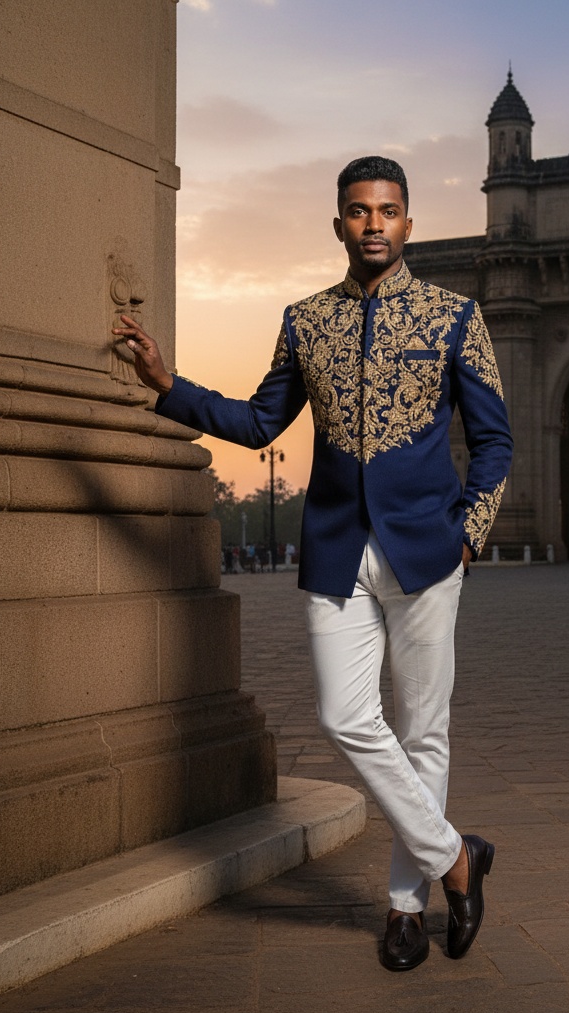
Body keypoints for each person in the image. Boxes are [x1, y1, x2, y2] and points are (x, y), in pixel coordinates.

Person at [114, 155, 512, 971]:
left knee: (422, 732)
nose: (374, 223)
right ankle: (456, 859)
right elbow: (262, 423)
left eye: (388, 210)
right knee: (344, 716)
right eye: (359, 211)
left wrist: (469, 533)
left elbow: (495, 440)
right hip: (336, 551)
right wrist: (168, 387)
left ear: (409, 223)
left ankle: (405, 909)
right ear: (339, 224)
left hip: (428, 552)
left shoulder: (453, 316)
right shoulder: (307, 321)